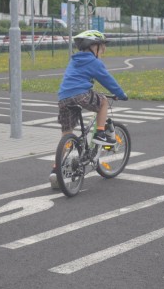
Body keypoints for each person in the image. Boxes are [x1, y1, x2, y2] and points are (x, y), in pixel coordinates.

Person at [49, 30, 128, 188]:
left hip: (64, 97)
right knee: (104, 102)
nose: (103, 50)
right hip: (81, 95)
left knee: (67, 135)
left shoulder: (74, 60)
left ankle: (56, 170)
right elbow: (107, 80)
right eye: (102, 47)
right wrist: (121, 94)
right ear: (93, 47)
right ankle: (100, 132)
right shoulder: (94, 62)